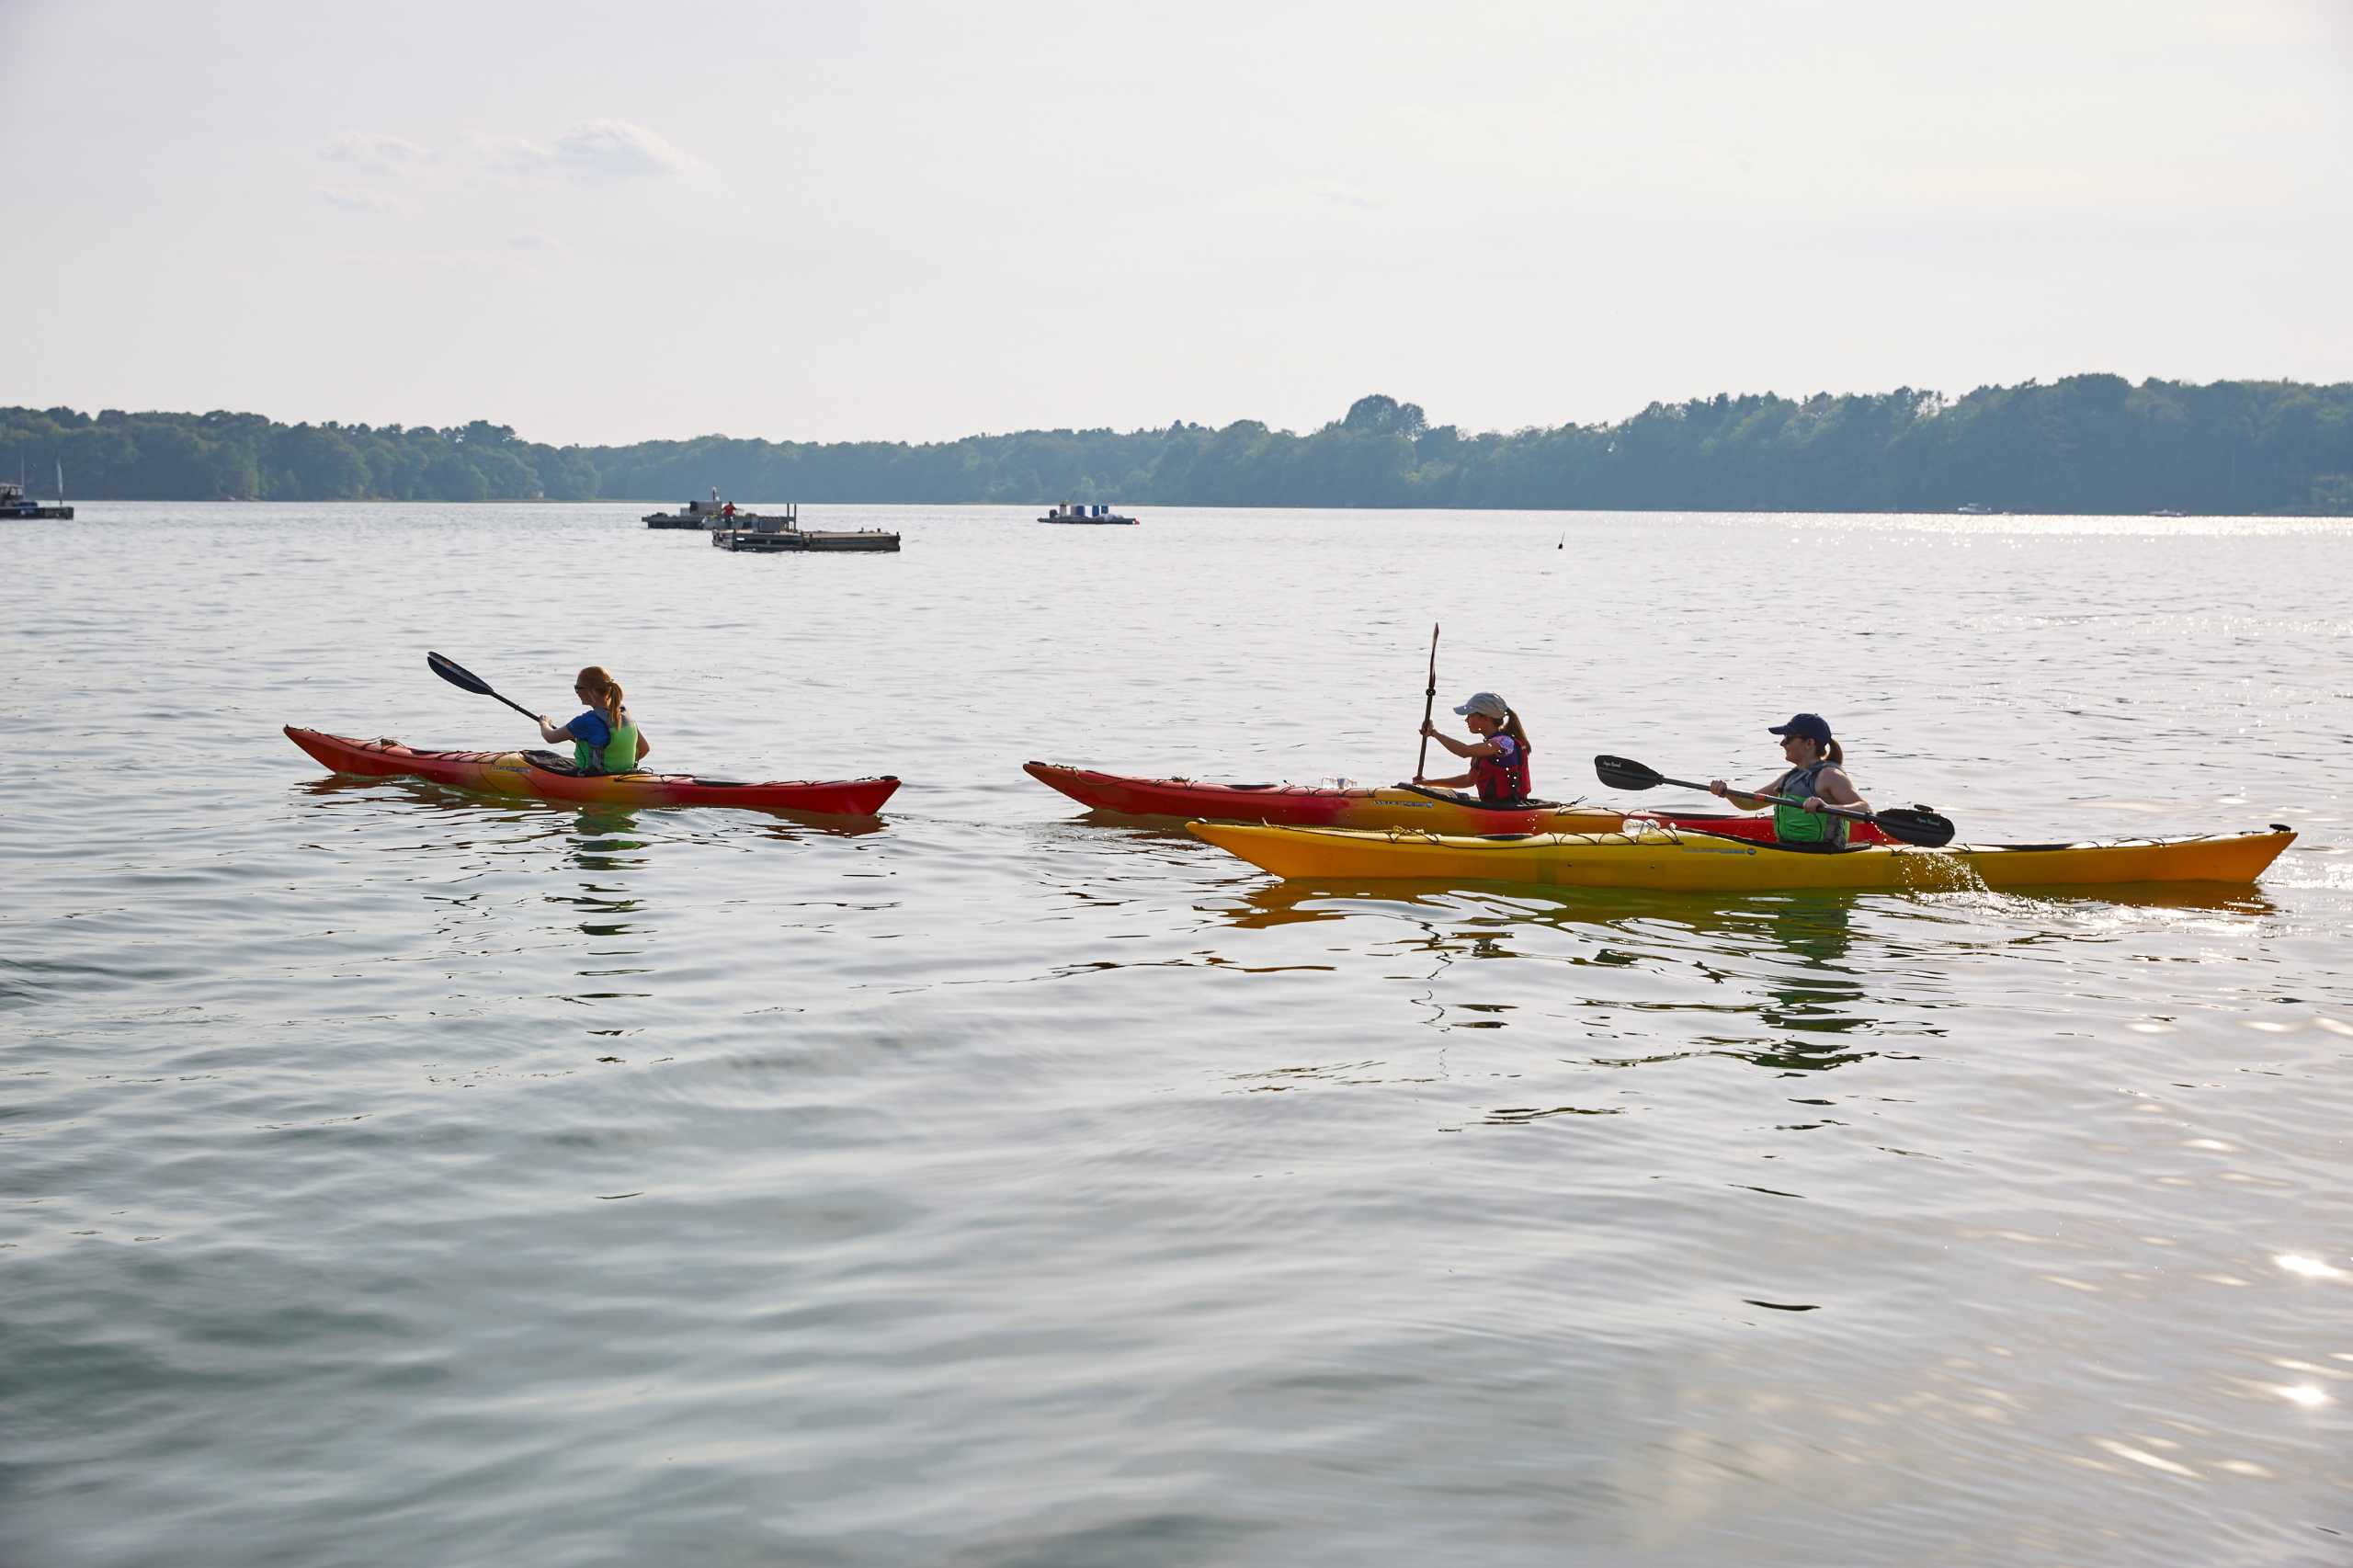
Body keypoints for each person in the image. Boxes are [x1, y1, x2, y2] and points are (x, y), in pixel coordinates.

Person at [1709, 712, 1867, 846]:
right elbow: (1751, 803)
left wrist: (1826, 805)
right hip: (1790, 849)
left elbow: (1864, 809)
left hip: (1823, 853)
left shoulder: (1830, 775)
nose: (1782, 743)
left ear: (1809, 743)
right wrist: (1726, 792)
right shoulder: (1789, 777)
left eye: (1788, 738)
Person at [1417, 691, 1533, 803]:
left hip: (1507, 807)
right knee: (1432, 793)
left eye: (1470, 715)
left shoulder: (1503, 743)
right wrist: (1426, 783)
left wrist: (1434, 733)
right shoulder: (1487, 746)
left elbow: (1464, 751)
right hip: (1491, 806)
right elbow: (1468, 780)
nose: (1466, 720)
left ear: (1486, 718)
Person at [537, 666, 651, 774]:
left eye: (578, 688)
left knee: (539, 759)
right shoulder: (624, 715)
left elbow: (550, 737)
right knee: (551, 757)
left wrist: (544, 723)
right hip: (626, 774)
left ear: (592, 691)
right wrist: (618, 764)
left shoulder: (586, 721)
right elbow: (644, 749)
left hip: (594, 777)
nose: (577, 692)